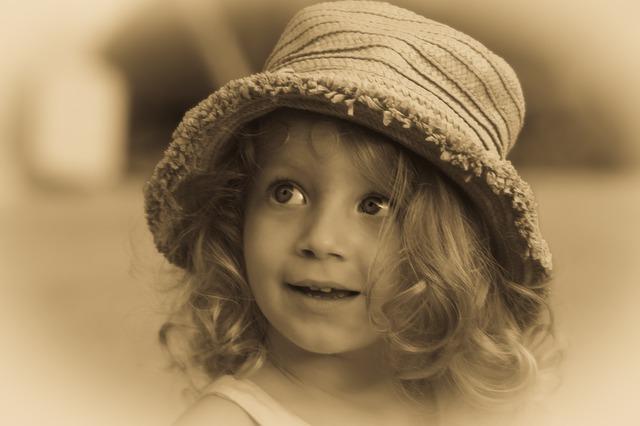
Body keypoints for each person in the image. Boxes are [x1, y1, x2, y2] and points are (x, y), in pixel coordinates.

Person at [144, 1, 559, 424]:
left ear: (457, 251)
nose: (321, 239)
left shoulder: (474, 408)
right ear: (236, 217)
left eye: (374, 205)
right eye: (287, 194)